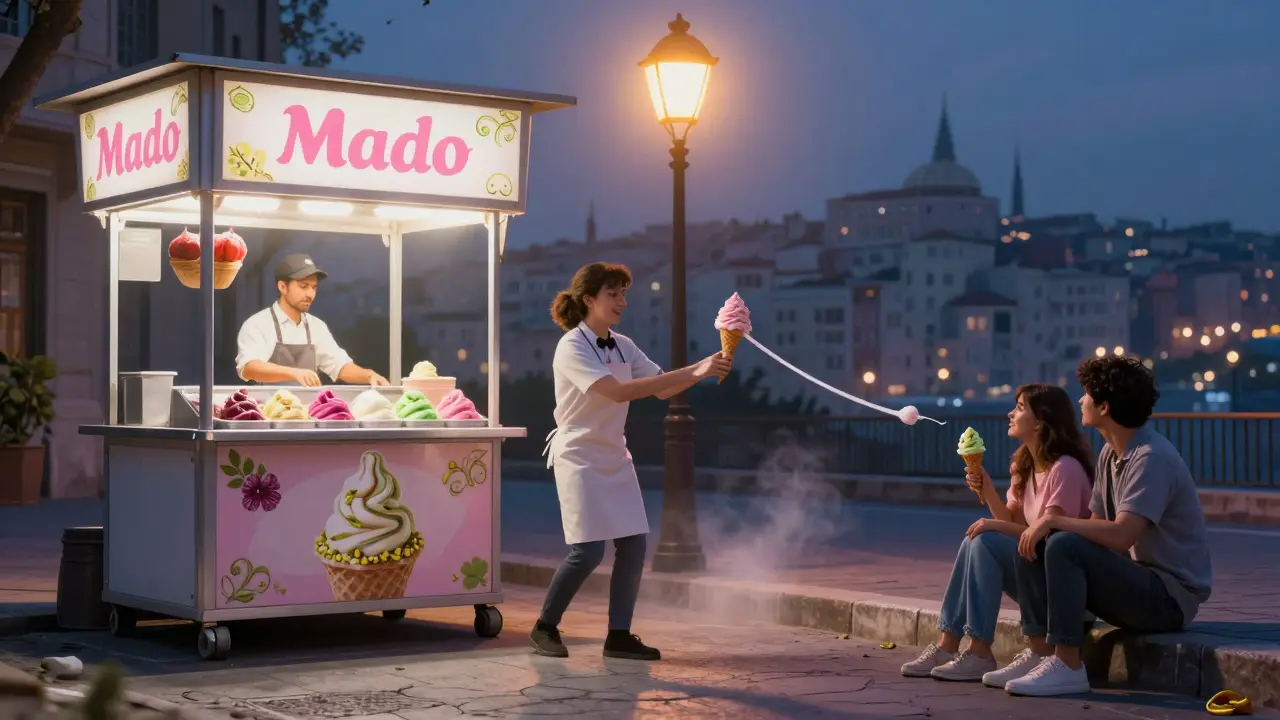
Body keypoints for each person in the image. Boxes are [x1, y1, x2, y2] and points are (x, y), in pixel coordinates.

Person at [530, 262, 732, 661]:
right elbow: (618, 393)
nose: (622, 301)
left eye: (624, 293)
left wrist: (707, 368)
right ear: (589, 299)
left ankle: (618, 636)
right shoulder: (571, 346)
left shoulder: (623, 344)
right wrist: (697, 368)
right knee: (587, 551)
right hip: (579, 454)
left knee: (634, 545)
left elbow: (662, 388)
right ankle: (544, 627)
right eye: (613, 294)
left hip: (614, 453)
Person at [1003, 356, 1213, 697]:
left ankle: (1068, 665)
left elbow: (1121, 536)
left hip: (1170, 598)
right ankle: (1041, 653)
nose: (1080, 401)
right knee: (1044, 542)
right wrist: (1047, 529)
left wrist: (1052, 520)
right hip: (1135, 579)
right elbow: (1097, 525)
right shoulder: (1110, 454)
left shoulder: (1150, 457)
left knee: (1060, 540)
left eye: (1086, 395)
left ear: (1104, 406)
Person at [901, 384, 1094, 684]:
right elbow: (1010, 523)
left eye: (1019, 407)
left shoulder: (1065, 469)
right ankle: (948, 645)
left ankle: (978, 651)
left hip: (1061, 589)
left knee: (986, 537)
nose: (1010, 413)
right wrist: (986, 487)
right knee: (977, 539)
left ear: (1041, 420)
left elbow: (1051, 537)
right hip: (1032, 572)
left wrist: (994, 526)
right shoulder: (1024, 466)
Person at [235, 253, 389, 387]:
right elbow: (249, 367)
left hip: (308, 413)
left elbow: (339, 365)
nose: (310, 294)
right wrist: (294, 373)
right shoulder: (257, 324)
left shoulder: (317, 326)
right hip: (268, 412)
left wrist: (369, 376)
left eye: (314, 287)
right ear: (282, 287)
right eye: (303, 286)